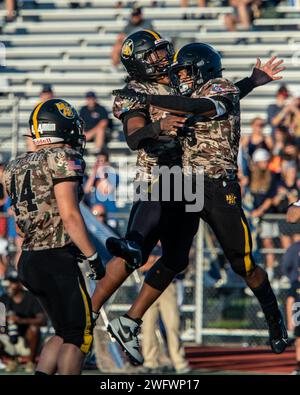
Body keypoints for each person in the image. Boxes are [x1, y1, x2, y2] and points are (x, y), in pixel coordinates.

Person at [108, 42, 287, 363]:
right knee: (174, 257)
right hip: (187, 185)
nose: (181, 77)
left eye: (186, 70)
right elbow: (165, 114)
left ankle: (274, 317)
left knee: (242, 263)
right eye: (178, 72)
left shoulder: (219, 87)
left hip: (218, 187)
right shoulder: (186, 93)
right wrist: (253, 81)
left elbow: (203, 106)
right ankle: (130, 317)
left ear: (202, 67)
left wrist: (146, 98)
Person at [3, 98, 105, 375]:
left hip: (29, 259)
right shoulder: (63, 157)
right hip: (56, 257)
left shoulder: (14, 166)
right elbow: (70, 215)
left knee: (62, 332)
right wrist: (93, 257)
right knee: (78, 337)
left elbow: (22, 223)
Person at [0, 274, 45, 373]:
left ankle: (30, 362)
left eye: (12, 283)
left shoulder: (31, 297)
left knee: (34, 328)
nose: (9, 286)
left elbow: (42, 320)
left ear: (20, 284)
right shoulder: (3, 298)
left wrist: (20, 320)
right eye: (8, 283)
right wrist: (4, 320)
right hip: (8, 338)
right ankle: (11, 361)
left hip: (26, 341)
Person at [111, 5, 154, 69]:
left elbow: (150, 36)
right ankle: (115, 67)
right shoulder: (129, 25)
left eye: (136, 15)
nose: (135, 17)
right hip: (132, 45)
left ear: (140, 15)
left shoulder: (147, 23)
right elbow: (121, 36)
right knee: (117, 46)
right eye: (133, 15)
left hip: (143, 45)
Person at [286, 275, 300, 375]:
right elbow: (290, 302)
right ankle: (299, 366)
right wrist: (290, 321)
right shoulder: (295, 285)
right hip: (299, 318)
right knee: (299, 341)